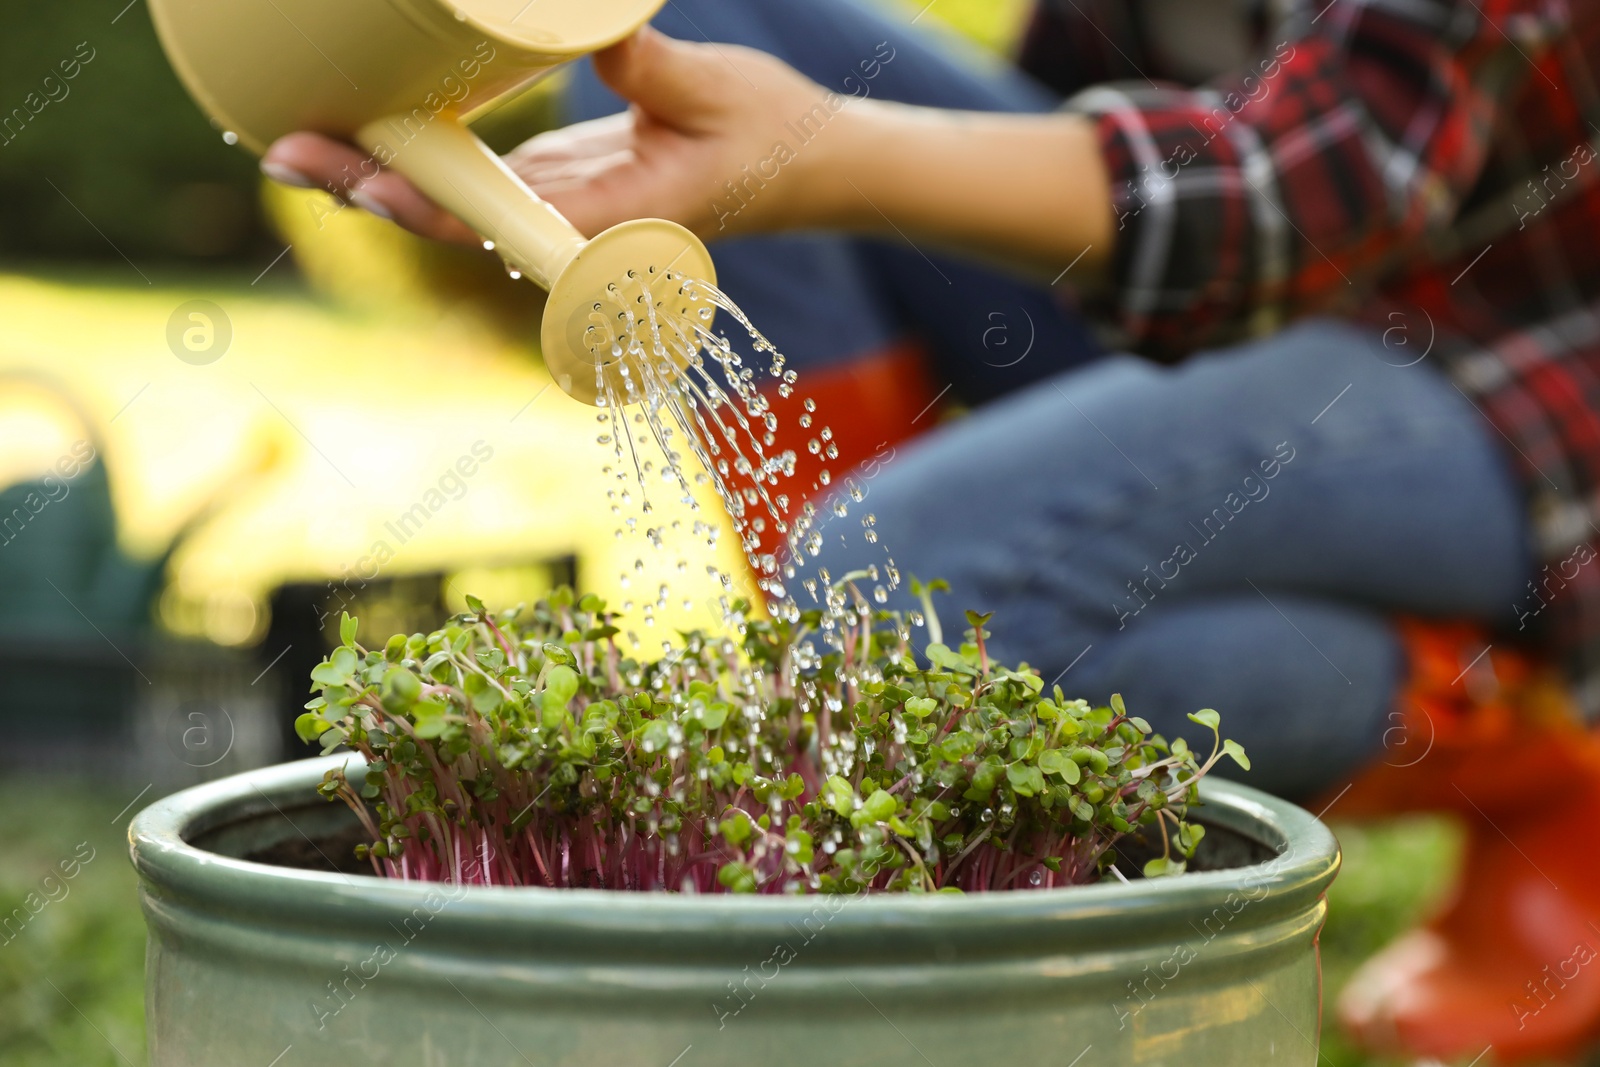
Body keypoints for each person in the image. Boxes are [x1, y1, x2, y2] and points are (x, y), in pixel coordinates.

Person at [260, 0, 1600, 1059]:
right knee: (711, 26)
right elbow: (1100, 118)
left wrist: (820, 157)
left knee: (886, 573)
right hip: (1221, 324)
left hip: (1497, 377)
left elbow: (1297, 192)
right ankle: (840, 778)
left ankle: (1541, 752)